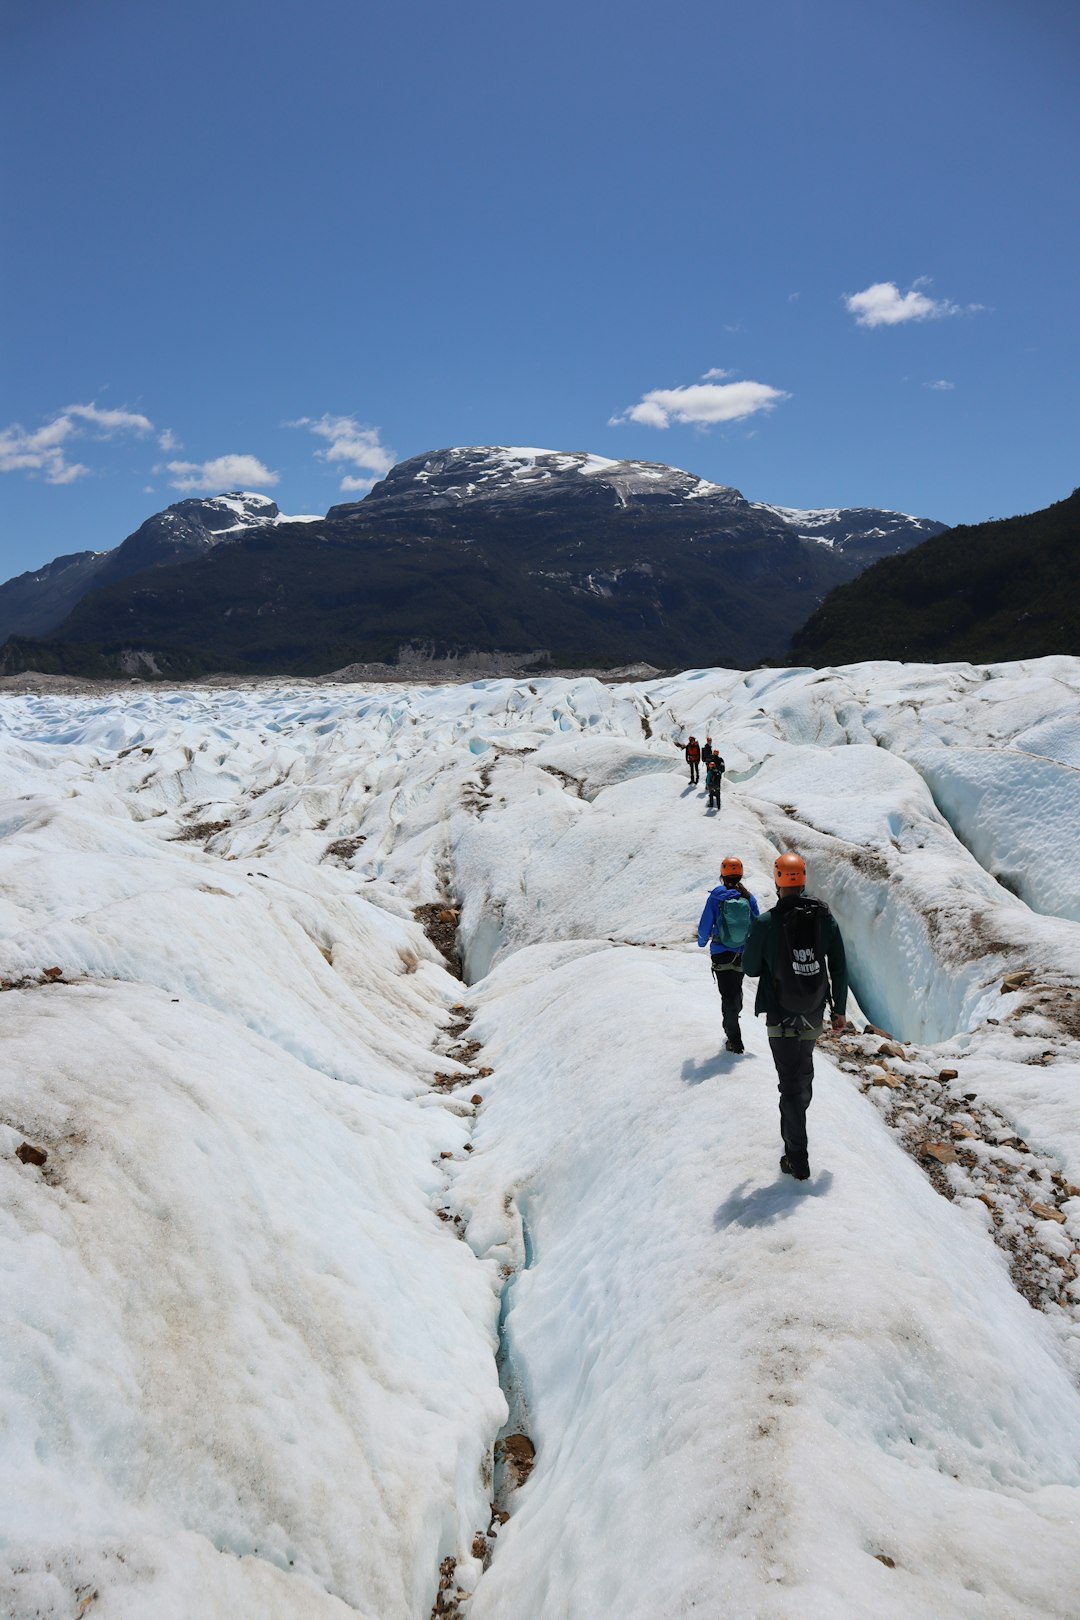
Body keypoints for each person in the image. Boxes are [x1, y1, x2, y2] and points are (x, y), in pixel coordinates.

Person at [741, 852, 848, 1181]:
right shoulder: (823, 918)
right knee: (801, 1074)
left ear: (777, 880)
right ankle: (796, 1123)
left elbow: (749, 967)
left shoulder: (766, 923)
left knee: (789, 1085)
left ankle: (796, 1157)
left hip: (780, 1016)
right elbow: (839, 965)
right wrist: (839, 1010)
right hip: (813, 1013)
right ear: (802, 879)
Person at [697, 856, 760, 1053]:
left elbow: (706, 923)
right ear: (740, 874)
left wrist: (702, 941)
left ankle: (734, 1039)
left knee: (727, 996)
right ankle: (735, 1015)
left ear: (722, 875)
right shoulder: (748, 897)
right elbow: (757, 923)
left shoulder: (716, 897)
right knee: (736, 990)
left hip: (720, 952)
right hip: (741, 953)